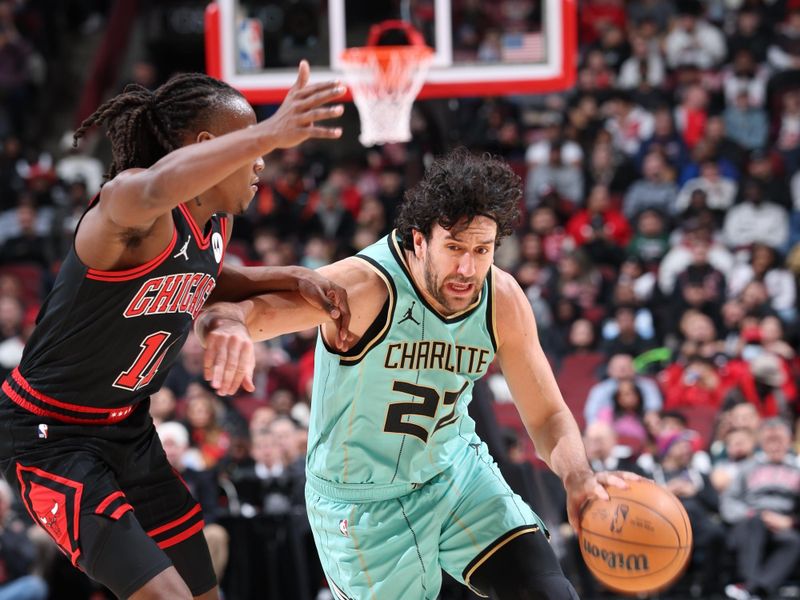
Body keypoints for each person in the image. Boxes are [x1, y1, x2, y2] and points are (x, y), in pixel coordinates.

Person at [198, 148, 633, 599]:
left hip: (453, 473)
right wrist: (230, 324)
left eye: (482, 250)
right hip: (361, 503)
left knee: (548, 593)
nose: (468, 268)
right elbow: (243, 311)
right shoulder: (366, 286)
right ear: (419, 240)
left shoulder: (501, 298)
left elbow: (545, 415)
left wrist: (578, 475)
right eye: (455, 248)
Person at [0, 62, 351, 600]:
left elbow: (203, 277)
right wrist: (274, 129)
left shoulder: (215, 222)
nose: (261, 161)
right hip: (52, 436)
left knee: (205, 593)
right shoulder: (126, 206)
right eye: (249, 144)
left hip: (131, 433)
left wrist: (292, 275)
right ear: (208, 146)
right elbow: (157, 185)